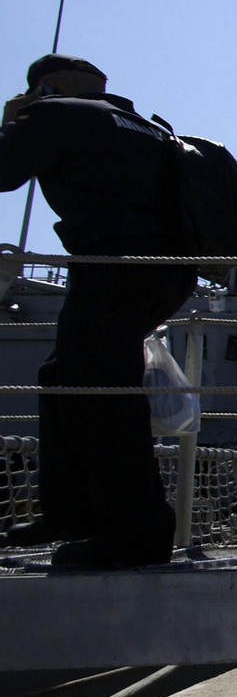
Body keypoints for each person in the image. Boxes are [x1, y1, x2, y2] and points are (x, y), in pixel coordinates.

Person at [0, 54, 199, 567]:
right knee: (62, 375)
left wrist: (13, 121)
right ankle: (71, 513)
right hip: (170, 275)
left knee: (103, 397)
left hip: (113, 270)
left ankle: (135, 534)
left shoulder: (55, 113)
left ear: (45, 86)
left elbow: (3, 171)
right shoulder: (147, 126)